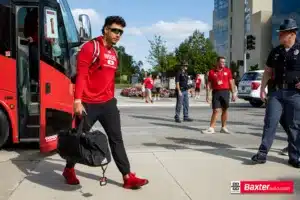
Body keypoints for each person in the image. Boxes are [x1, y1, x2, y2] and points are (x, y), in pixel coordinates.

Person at [64, 16, 149, 189]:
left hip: (108, 104)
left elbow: (109, 79)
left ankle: (127, 177)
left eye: (121, 32)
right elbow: (81, 74)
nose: (118, 34)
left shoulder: (114, 53)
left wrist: (112, 99)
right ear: (105, 30)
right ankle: (69, 169)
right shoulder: (91, 48)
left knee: (116, 139)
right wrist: (77, 100)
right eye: (115, 30)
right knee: (79, 139)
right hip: (88, 104)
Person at [251, 18, 300, 168]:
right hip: (276, 93)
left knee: (294, 125)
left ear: (292, 34)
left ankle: (295, 157)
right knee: (270, 122)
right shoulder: (276, 51)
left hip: (295, 94)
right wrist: (262, 89)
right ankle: (262, 153)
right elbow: (267, 71)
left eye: (282, 33)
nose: (279, 36)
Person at [202, 56, 236, 134]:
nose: (223, 63)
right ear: (217, 62)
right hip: (216, 92)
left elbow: (231, 82)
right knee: (216, 110)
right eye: (222, 62)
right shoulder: (211, 72)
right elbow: (209, 85)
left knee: (225, 110)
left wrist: (233, 93)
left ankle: (223, 127)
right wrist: (208, 95)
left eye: (224, 62)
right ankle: (211, 128)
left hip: (225, 92)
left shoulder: (227, 71)